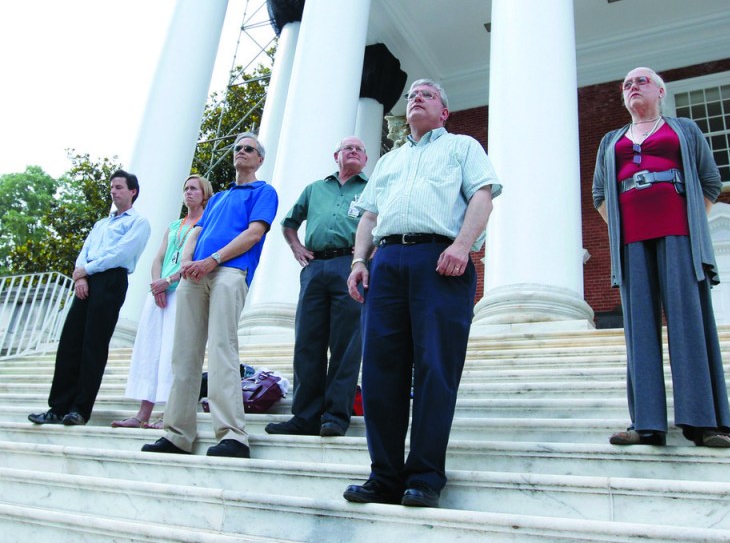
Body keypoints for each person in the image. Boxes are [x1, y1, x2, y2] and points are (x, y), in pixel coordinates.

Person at [343, 79, 502, 508]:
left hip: (440, 259)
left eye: (427, 94)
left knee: (435, 368)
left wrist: (462, 245)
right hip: (387, 263)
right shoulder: (390, 160)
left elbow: (483, 197)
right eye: (413, 94)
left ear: (444, 112)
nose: (416, 97)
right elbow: (369, 215)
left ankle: (426, 475)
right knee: (379, 371)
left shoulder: (463, 147)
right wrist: (360, 261)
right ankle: (385, 475)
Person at [592, 67, 730, 448]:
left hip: (679, 237)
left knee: (688, 323)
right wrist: (622, 227)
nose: (632, 87)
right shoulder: (611, 140)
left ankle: (704, 423)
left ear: (660, 91)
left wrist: (691, 223)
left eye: (640, 81)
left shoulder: (684, 130)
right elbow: (600, 195)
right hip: (633, 243)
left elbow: (710, 181)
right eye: (625, 84)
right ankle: (648, 424)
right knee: (639, 329)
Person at [141, 132, 278, 459]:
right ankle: (177, 434)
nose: (241, 152)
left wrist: (213, 260)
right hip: (195, 275)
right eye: (238, 148)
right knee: (184, 353)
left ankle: (232, 435)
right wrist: (188, 261)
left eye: (249, 149)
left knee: (222, 349)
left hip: (229, 272)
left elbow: (254, 233)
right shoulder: (217, 198)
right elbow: (196, 232)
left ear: (259, 159)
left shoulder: (263, 191)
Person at [28, 169, 150, 426]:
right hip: (86, 280)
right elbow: (85, 251)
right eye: (112, 187)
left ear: (132, 191)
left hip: (110, 281)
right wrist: (80, 276)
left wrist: (88, 270)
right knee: (70, 343)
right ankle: (58, 408)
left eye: (119, 187)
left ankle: (80, 409)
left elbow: (121, 253)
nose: (114, 191)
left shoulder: (138, 223)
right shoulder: (101, 224)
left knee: (93, 345)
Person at [265, 136, 368, 438]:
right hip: (314, 268)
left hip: (349, 265)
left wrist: (365, 258)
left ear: (364, 159)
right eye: (347, 148)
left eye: (359, 149)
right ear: (336, 155)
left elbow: (380, 224)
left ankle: (336, 415)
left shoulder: (371, 189)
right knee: (307, 342)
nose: (353, 151)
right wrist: (297, 247)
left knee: (346, 344)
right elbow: (289, 222)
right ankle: (305, 416)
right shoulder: (315, 189)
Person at [112, 175, 213, 429]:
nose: (188, 192)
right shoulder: (174, 225)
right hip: (159, 294)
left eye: (194, 189)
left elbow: (195, 259)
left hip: (183, 291)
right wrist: (157, 283)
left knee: (173, 351)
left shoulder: (207, 223)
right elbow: (158, 257)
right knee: (149, 349)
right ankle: (142, 413)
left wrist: (168, 281)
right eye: (185, 188)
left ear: (204, 194)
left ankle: (169, 412)